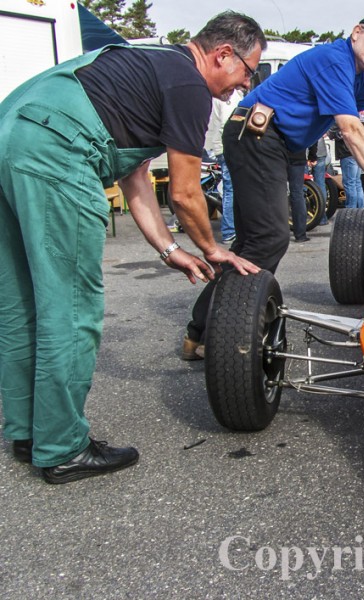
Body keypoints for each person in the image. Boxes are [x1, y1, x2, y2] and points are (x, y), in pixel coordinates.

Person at [0, 12, 265, 482]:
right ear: (223, 54)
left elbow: (136, 177)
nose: (243, 87)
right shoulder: (188, 85)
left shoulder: (149, 61)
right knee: (71, 307)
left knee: (20, 303)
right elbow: (184, 193)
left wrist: (170, 250)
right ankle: (62, 447)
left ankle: (28, 431)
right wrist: (213, 248)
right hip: (58, 150)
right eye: (248, 72)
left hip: (11, 136)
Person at [184, 13, 364, 353]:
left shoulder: (359, 77)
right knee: (270, 238)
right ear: (357, 33)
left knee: (255, 243)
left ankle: (204, 330)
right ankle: (224, 328)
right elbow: (352, 130)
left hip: (271, 140)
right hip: (256, 134)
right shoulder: (334, 59)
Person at [205, 89, 244, 243]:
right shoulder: (228, 96)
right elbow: (229, 124)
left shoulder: (229, 94)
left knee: (231, 188)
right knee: (231, 189)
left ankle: (232, 229)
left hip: (223, 146)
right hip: (228, 147)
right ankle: (229, 231)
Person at [330, 119, 364, 209]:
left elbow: (336, 133)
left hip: (347, 152)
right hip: (357, 152)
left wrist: (331, 132)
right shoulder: (358, 115)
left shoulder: (341, 118)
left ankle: (351, 210)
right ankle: (360, 210)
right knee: (357, 182)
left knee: (350, 183)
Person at [287, 150, 310, 242]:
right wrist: (312, 155)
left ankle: (275, 233)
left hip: (278, 156)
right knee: (297, 194)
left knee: (275, 193)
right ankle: (300, 234)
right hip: (297, 156)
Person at [308, 134, 330, 225]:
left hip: (306, 151)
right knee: (320, 184)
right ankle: (322, 217)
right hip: (321, 151)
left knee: (303, 186)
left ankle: (303, 217)